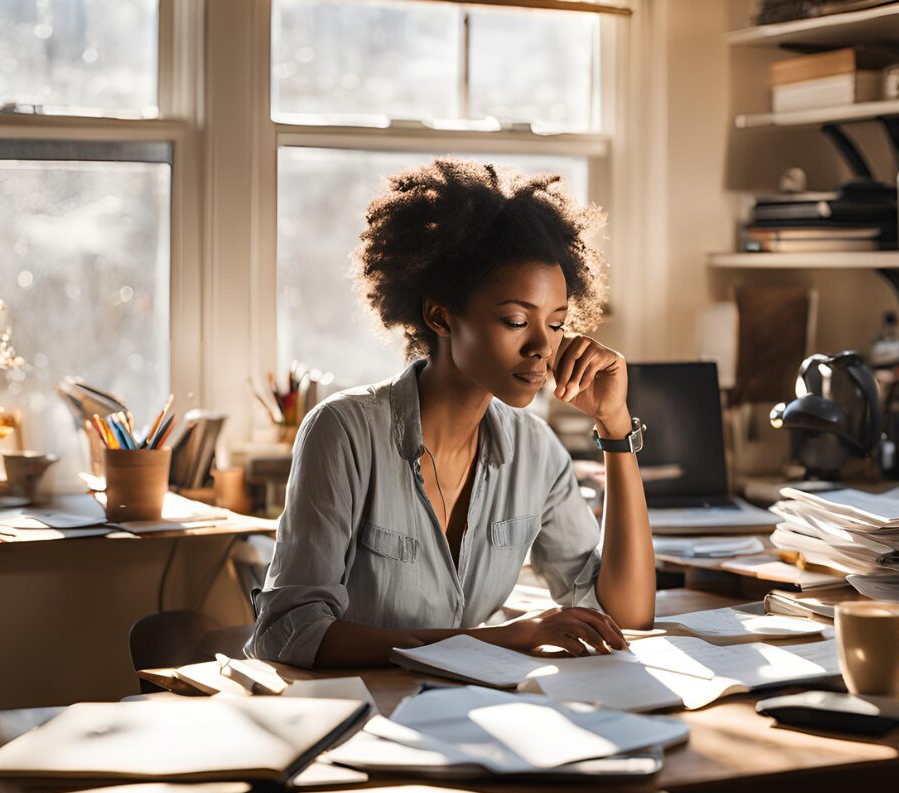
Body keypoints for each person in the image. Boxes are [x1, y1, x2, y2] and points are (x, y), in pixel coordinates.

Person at [246, 158, 654, 668]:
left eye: (555, 324)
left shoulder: (537, 450)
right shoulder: (344, 431)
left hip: (458, 717)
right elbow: (290, 632)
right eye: (514, 320)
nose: (541, 347)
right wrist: (506, 639)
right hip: (352, 718)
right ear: (440, 315)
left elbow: (628, 614)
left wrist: (614, 428)